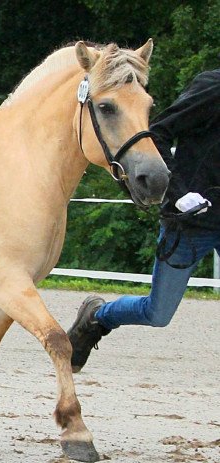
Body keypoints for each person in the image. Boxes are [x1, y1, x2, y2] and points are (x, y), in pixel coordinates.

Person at [67, 67, 220, 373]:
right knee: (158, 313)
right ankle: (98, 317)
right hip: (192, 223)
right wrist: (178, 194)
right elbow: (158, 133)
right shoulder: (213, 88)